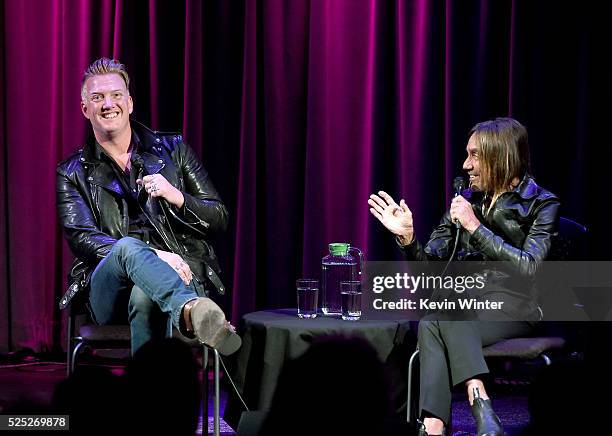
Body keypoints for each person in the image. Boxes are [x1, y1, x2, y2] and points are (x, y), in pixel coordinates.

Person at [368, 118, 559, 435]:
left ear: (500, 156)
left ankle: (438, 421)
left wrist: (475, 227)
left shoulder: (540, 203)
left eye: (475, 156)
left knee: (438, 317)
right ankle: (460, 412)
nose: (465, 165)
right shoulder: (466, 201)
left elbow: (530, 268)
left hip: (517, 307)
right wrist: (408, 239)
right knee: (435, 317)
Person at [56, 57, 240, 356]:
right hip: (110, 291)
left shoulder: (173, 150)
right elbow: (83, 238)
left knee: (145, 296)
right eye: (97, 97)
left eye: (116, 95)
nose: (108, 104)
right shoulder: (72, 172)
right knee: (128, 247)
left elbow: (218, 217)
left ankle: (151, 398)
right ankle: (192, 310)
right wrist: (154, 256)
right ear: (85, 108)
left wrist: (176, 196)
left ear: (129, 103)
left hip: (176, 278)